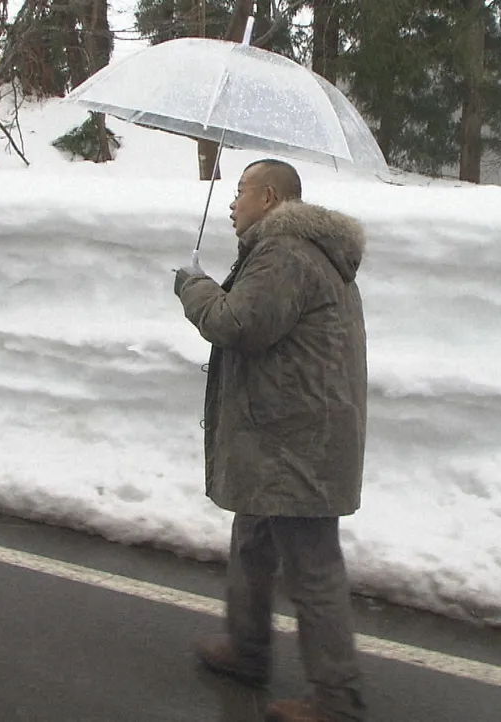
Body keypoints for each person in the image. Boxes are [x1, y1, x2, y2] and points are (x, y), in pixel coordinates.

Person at [173, 159, 369, 722]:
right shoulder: (293, 251)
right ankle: (248, 649)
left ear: (267, 195)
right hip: (284, 433)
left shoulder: (286, 253)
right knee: (253, 540)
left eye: (239, 192)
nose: (232, 203)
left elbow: (240, 323)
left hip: (297, 441)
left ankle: (337, 701)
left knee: (311, 565)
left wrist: (195, 289)